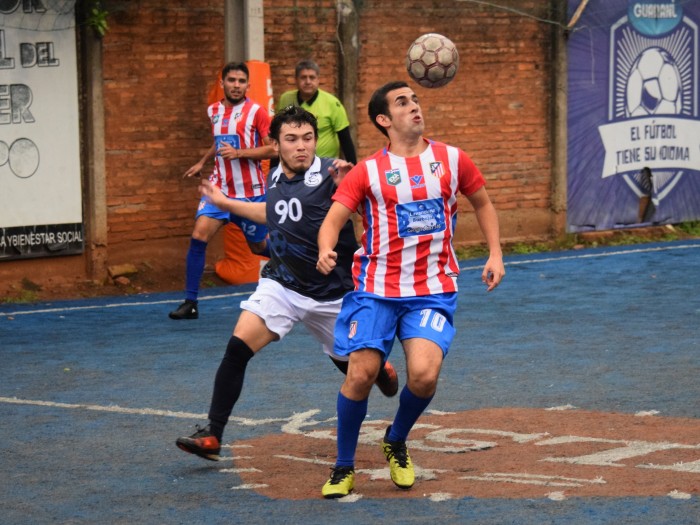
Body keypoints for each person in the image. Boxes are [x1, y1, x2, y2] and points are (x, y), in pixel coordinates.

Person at [175, 106, 399, 462]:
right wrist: (225, 203)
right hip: (282, 285)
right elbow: (271, 211)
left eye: (307, 138)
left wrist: (352, 179)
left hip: (333, 295)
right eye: (291, 139)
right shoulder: (275, 175)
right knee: (237, 349)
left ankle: (380, 368)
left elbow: (369, 194)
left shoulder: (333, 173)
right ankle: (213, 435)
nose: (301, 147)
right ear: (275, 144)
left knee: (356, 370)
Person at [316, 81, 505, 498]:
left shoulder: (453, 160)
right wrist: (326, 248)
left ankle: (396, 440)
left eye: (415, 99)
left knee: (423, 376)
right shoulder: (367, 171)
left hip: (433, 289)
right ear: (384, 120)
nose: (414, 106)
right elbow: (333, 219)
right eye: (403, 102)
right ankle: (343, 467)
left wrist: (495, 254)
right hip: (376, 289)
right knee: (362, 373)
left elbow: (483, 203)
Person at [169, 62, 276, 320]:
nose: (236, 85)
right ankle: (190, 302)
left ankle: (299, 254)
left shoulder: (257, 113)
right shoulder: (213, 110)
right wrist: (203, 162)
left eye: (241, 81)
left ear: (248, 85)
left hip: (250, 195)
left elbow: (273, 149)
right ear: (222, 84)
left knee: (258, 246)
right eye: (232, 80)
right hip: (219, 190)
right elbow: (220, 140)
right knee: (199, 234)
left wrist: (239, 153)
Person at [276, 59, 357, 164]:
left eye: (312, 77)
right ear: (296, 80)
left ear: (318, 80)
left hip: (325, 166)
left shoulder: (332, 103)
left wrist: (353, 168)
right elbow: (277, 133)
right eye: (303, 77)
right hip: (293, 164)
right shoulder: (286, 100)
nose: (308, 81)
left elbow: (345, 139)